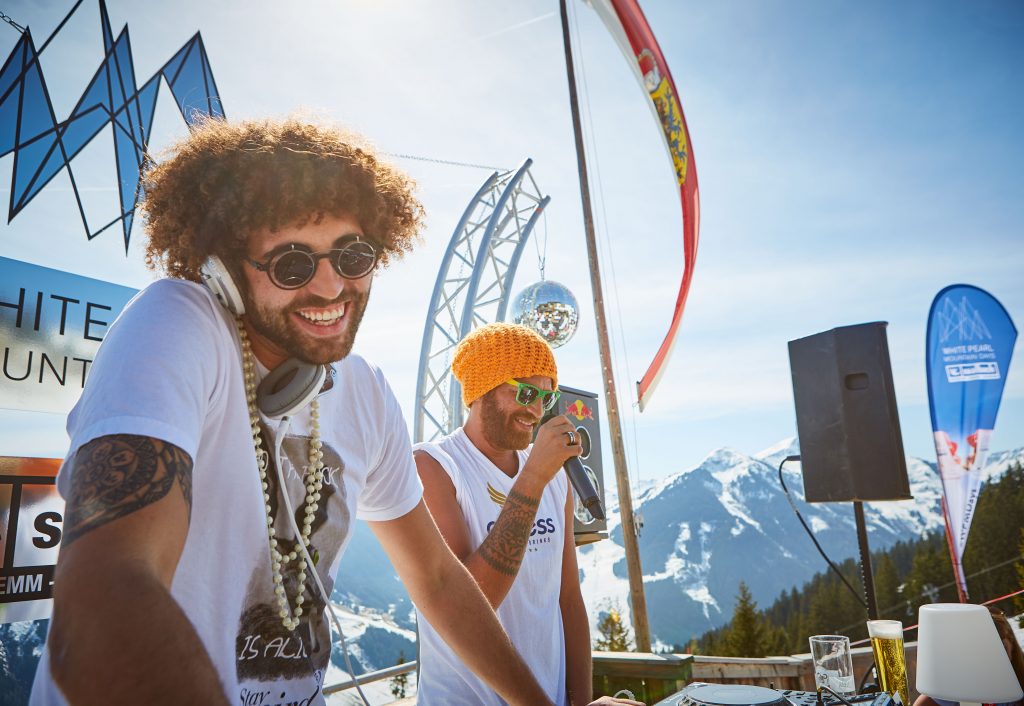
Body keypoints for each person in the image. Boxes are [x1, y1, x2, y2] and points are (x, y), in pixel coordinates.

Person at [28, 117, 566, 706]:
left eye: (353, 256)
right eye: (292, 263)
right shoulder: (175, 324)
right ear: (224, 271)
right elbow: (106, 594)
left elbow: (438, 580)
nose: (331, 288)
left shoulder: (365, 391)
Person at [414, 323, 636, 706]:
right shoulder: (433, 466)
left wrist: (581, 702)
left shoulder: (556, 475)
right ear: (482, 388)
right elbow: (468, 608)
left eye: (547, 398)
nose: (535, 410)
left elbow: (568, 599)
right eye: (526, 392)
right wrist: (532, 478)